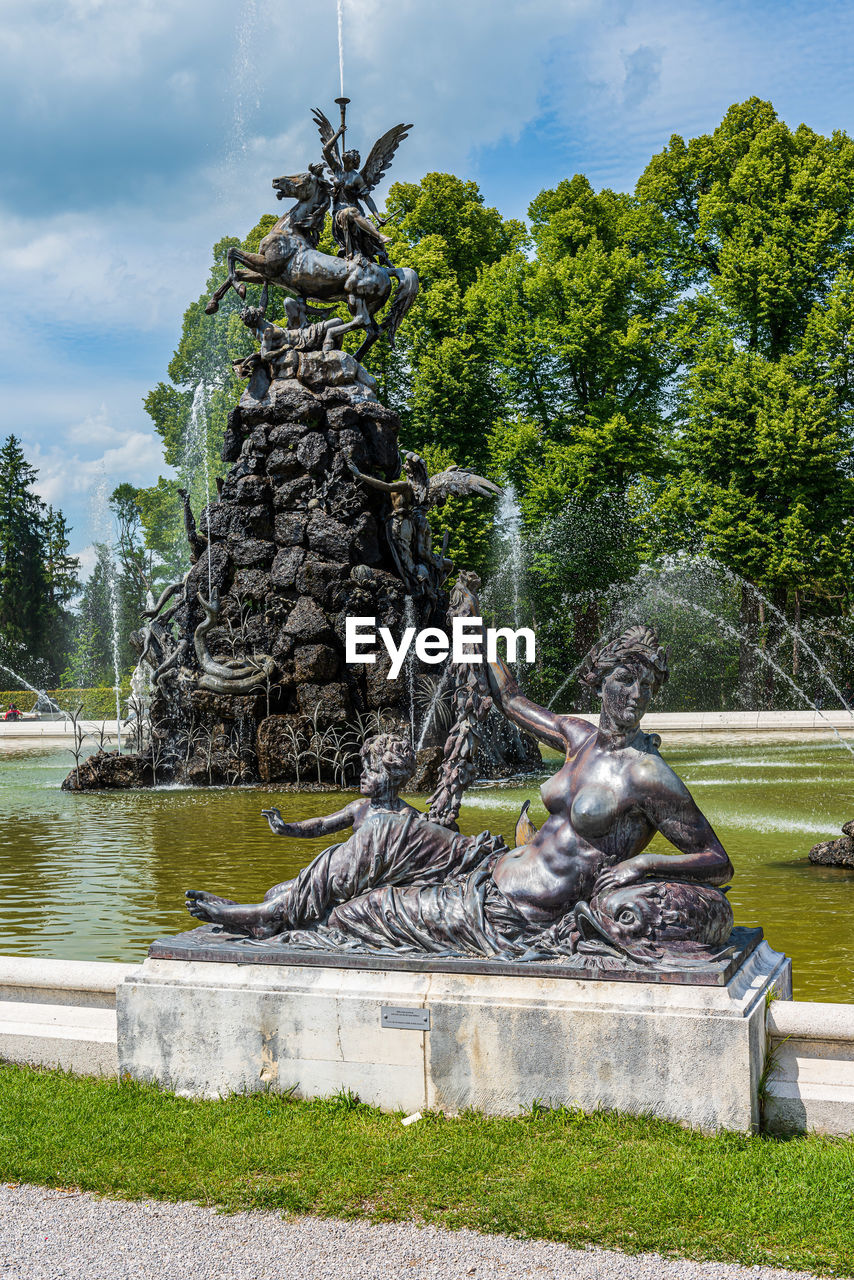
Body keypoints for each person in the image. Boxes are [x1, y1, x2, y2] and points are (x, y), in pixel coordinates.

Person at [186, 628, 733, 955]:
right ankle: (277, 906)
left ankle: (280, 917)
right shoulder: (578, 737)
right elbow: (511, 701)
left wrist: (646, 866)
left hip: (517, 911)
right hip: (487, 862)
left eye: (647, 684)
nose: (635, 694)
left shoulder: (647, 775)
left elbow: (718, 862)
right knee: (387, 829)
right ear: (601, 678)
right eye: (624, 677)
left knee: (368, 912)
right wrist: (477, 635)